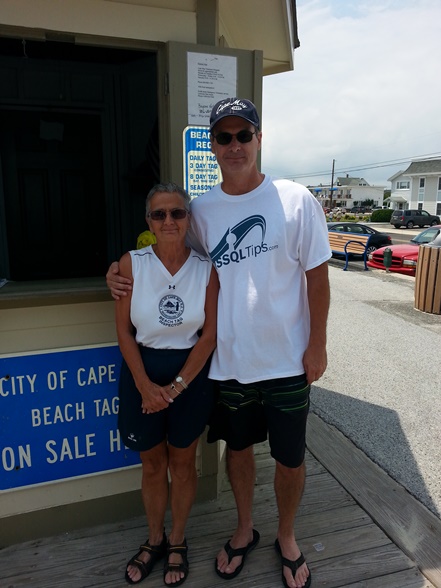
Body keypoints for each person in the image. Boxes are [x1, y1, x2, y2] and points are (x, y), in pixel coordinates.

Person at [108, 98, 331, 588]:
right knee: (239, 452)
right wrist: (117, 270)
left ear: (258, 139)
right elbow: (167, 249)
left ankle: (288, 537)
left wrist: (318, 343)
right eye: (223, 137)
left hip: (288, 361)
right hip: (228, 364)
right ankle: (245, 528)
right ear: (211, 146)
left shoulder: (296, 200)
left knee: (291, 458)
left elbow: (318, 279)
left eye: (242, 135)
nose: (234, 145)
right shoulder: (202, 209)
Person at [115, 182, 219, 586]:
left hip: (189, 374)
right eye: (159, 214)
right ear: (149, 221)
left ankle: (178, 541)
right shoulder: (130, 264)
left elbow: (208, 336)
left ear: (188, 219)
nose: (169, 221)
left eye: (177, 213)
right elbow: (124, 333)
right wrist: (144, 386)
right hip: (143, 369)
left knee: (183, 463)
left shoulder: (206, 269)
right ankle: (154, 538)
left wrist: (174, 389)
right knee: (153, 464)